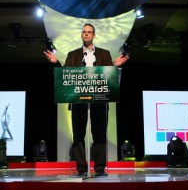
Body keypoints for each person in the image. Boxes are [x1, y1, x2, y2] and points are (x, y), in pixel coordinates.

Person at [44, 23, 129, 177]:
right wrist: (55, 63)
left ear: (94, 35)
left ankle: (100, 169)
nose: (87, 34)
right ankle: (82, 168)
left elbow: (108, 77)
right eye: (84, 32)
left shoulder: (104, 54)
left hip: (99, 102)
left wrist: (114, 65)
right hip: (78, 101)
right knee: (78, 136)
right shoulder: (73, 55)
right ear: (81, 35)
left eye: (90, 32)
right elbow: (66, 76)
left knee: (100, 135)